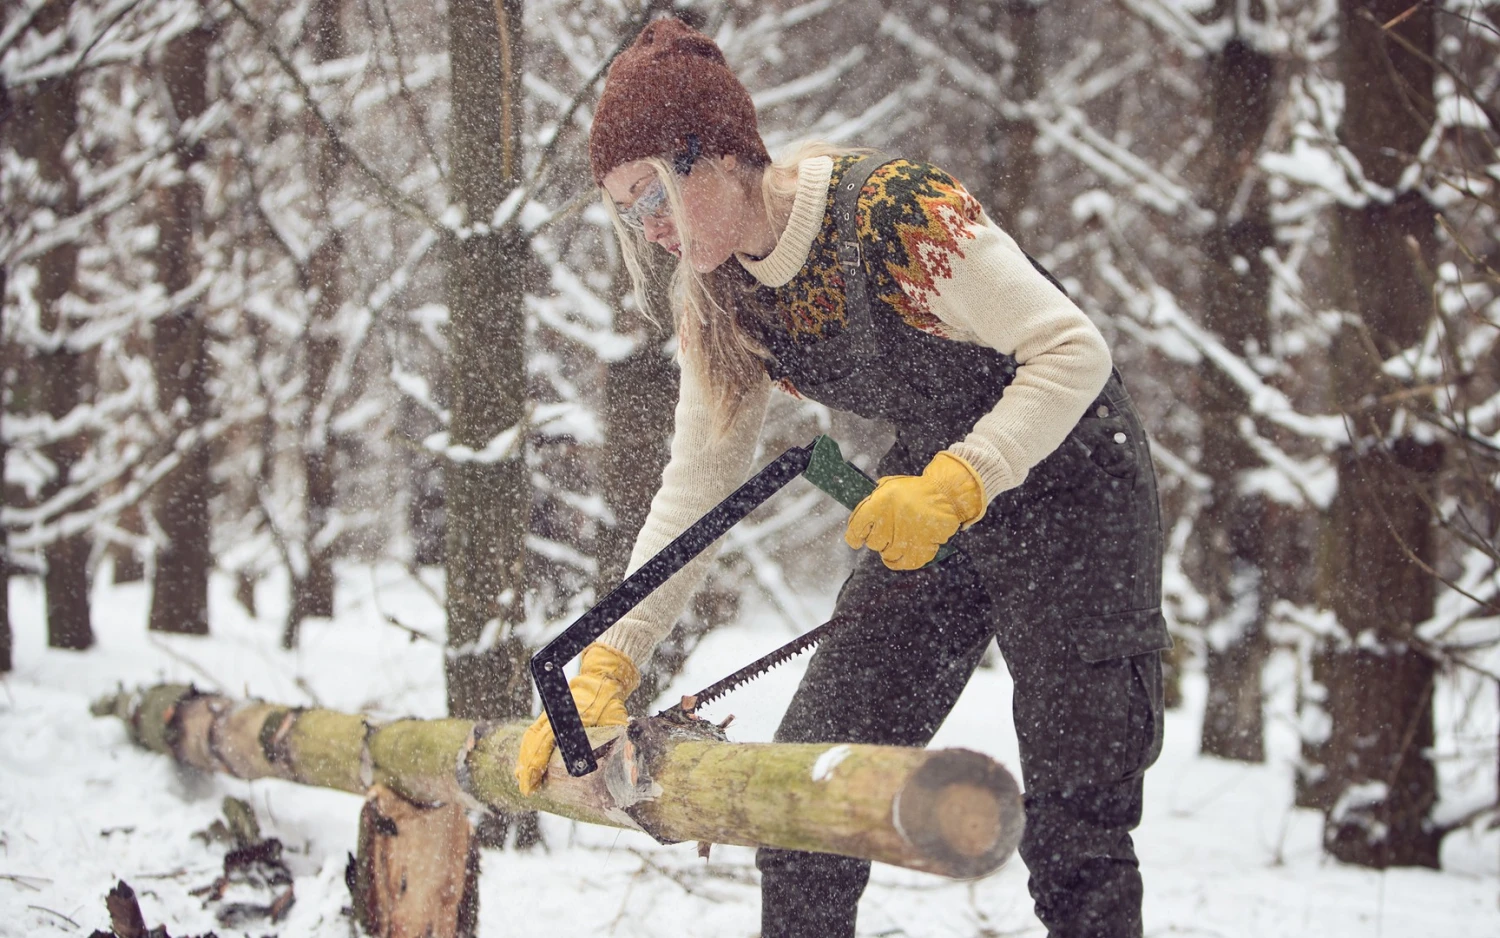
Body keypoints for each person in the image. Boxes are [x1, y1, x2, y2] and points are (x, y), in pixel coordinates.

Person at [515, 18, 1168, 938]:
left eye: (651, 194)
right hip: (929, 501)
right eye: (626, 212)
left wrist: (957, 482)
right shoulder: (713, 295)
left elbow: (1071, 349)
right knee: (808, 808)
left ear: (713, 157)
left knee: (1075, 834)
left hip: (1070, 483)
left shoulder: (895, 213)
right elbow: (696, 482)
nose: (648, 228)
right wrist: (612, 659)